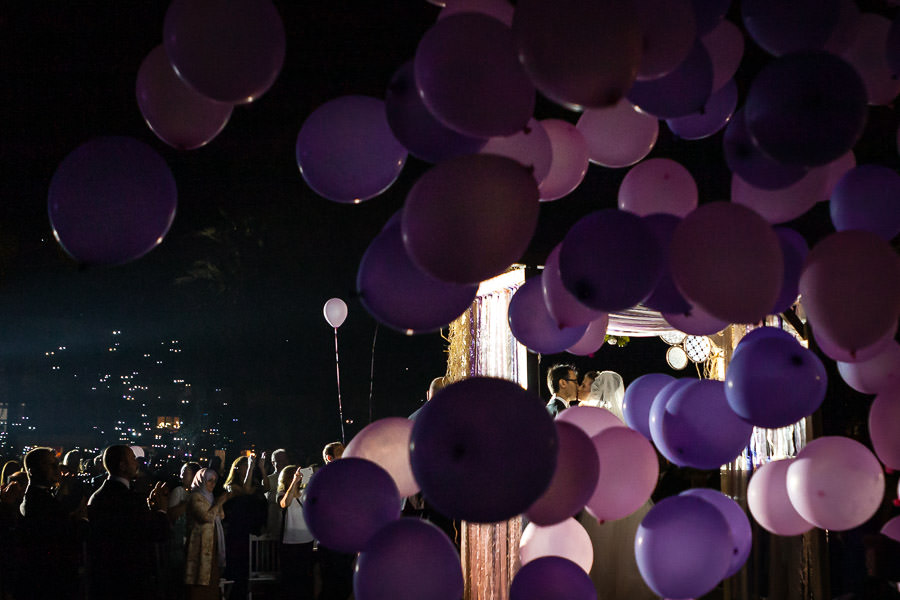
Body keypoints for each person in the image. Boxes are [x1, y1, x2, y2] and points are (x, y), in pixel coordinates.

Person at [87, 445, 170, 600]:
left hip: (104, 579)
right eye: (132, 459)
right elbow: (156, 533)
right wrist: (161, 510)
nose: (137, 463)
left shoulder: (99, 495)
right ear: (122, 466)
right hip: (128, 579)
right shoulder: (127, 498)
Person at [17, 447, 86, 600]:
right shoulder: (41, 502)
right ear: (33, 470)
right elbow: (65, 535)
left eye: (57, 464)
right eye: (52, 465)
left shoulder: (38, 496)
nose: (58, 469)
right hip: (51, 581)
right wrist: (83, 520)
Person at [222, 454, 268, 600]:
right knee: (238, 567)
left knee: (251, 565)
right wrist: (250, 467)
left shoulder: (254, 482)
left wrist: (261, 468)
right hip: (237, 531)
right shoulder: (232, 486)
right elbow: (246, 491)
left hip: (252, 528)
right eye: (245, 466)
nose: (248, 467)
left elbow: (266, 487)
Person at [185, 468, 232, 600]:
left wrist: (219, 503)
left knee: (211, 578)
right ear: (201, 481)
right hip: (199, 546)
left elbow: (221, 516)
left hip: (212, 545)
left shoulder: (210, 498)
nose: (212, 484)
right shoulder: (195, 497)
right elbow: (206, 517)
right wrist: (219, 503)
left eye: (214, 481)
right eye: (209, 481)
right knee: (199, 579)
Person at [317, 442, 354, 600]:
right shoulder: (322, 479)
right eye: (341, 453)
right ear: (329, 458)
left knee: (346, 580)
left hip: (348, 537)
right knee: (332, 582)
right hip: (330, 538)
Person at [276, 465, 314, 600]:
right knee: (290, 577)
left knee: (305, 577)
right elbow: (285, 503)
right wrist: (294, 482)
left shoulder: (306, 493)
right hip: (290, 541)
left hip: (306, 539)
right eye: (295, 475)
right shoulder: (282, 493)